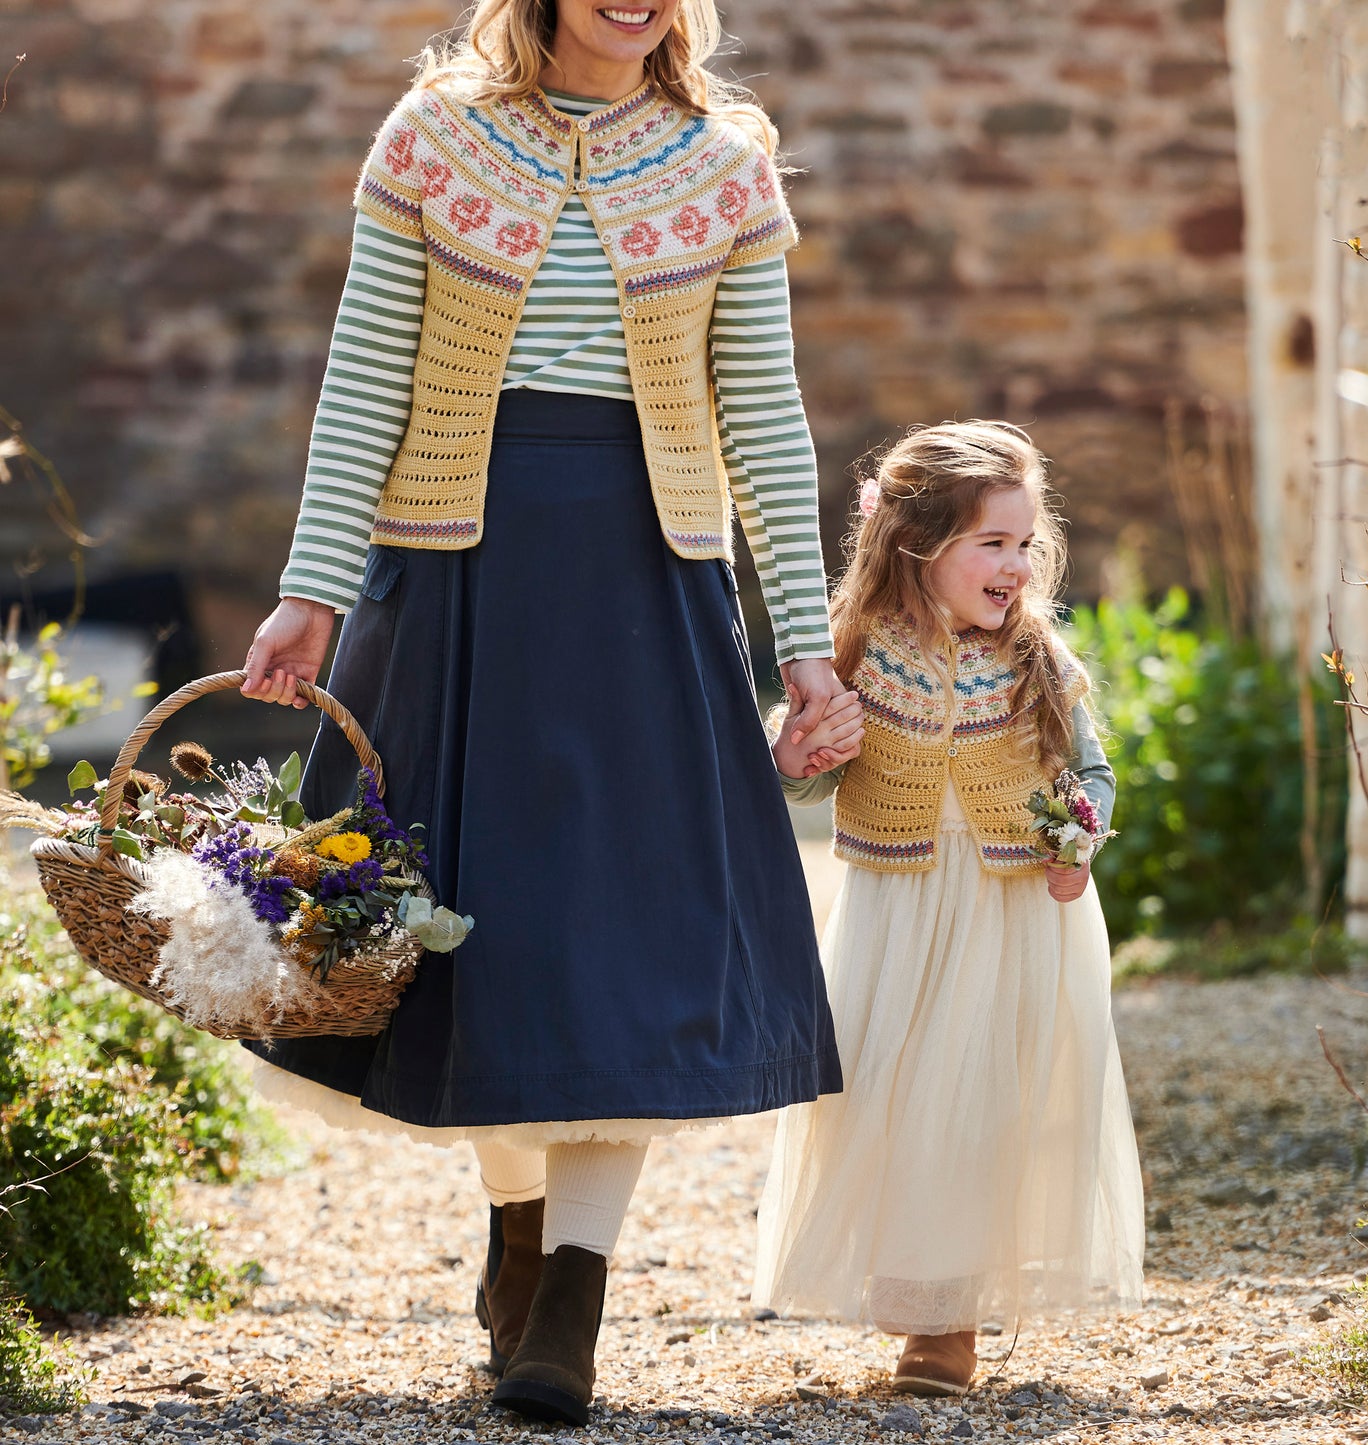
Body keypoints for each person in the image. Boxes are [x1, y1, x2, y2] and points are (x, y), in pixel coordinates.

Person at [238, 0, 850, 1424]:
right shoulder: (436, 138)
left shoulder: (723, 158)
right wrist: (312, 587)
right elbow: (364, 380)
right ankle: (517, 1222)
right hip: (460, 568)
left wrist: (803, 641)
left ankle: (571, 1294)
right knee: (476, 944)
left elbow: (763, 402)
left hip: (652, 578)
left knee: (623, 944)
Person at [751, 422, 1145, 1395]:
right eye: (991, 544)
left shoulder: (1035, 656)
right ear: (916, 545)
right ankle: (913, 1282)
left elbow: (1085, 769)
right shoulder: (857, 649)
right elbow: (800, 771)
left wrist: (1075, 841)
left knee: (979, 1108)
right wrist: (795, 755)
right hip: (896, 906)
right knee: (890, 1096)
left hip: (1010, 908)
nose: (1014, 565)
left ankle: (948, 1319)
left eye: (1023, 543)